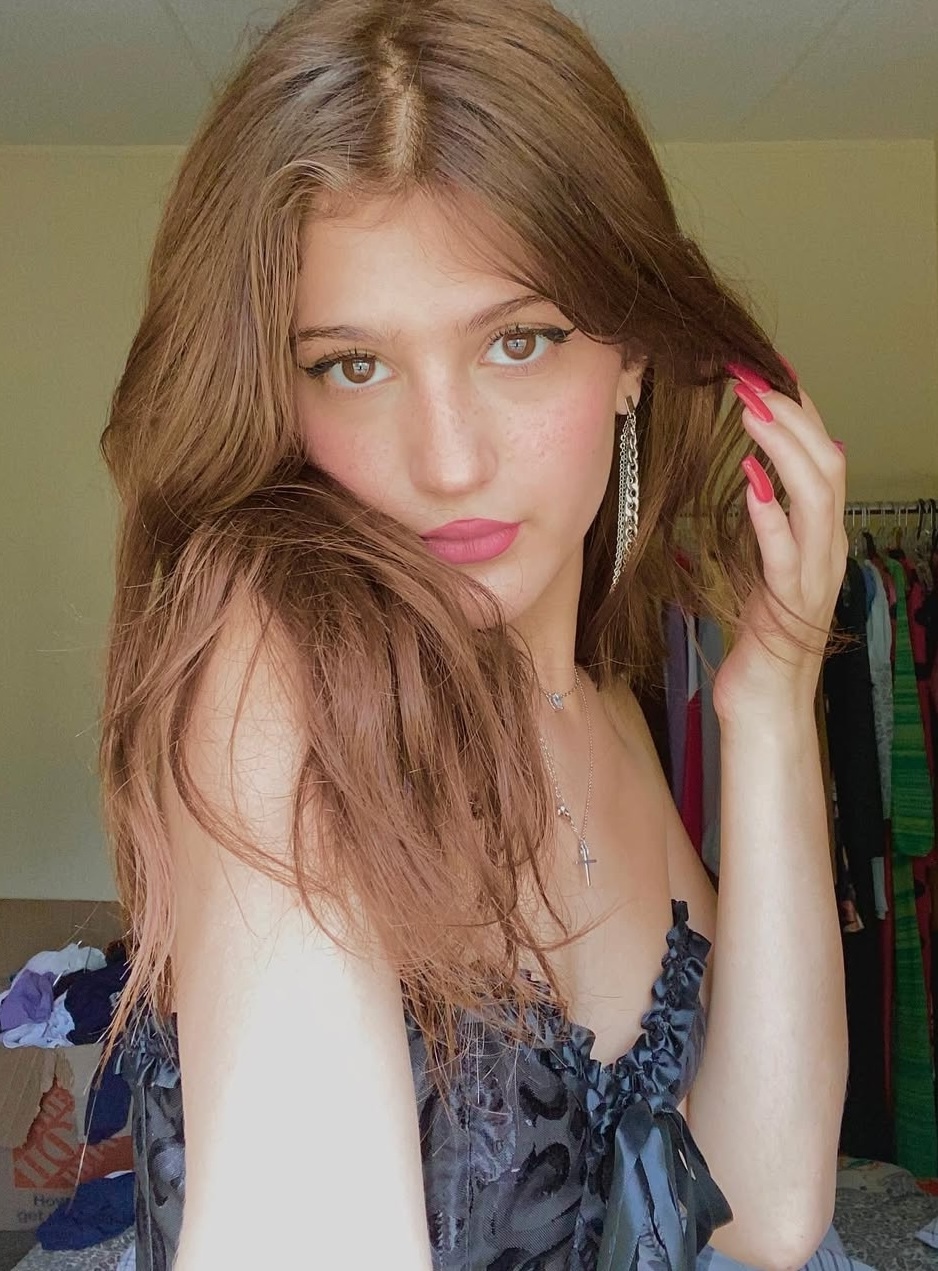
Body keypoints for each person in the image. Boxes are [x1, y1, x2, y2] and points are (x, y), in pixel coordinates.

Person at [98, 0, 850, 1267]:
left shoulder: (600, 709)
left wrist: (768, 704)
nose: (445, 461)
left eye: (518, 341)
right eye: (352, 364)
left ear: (629, 355)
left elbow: (765, 1205)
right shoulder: (272, 662)